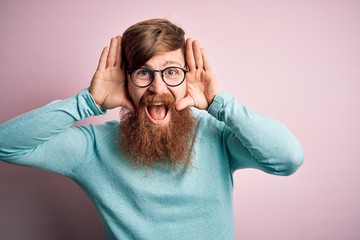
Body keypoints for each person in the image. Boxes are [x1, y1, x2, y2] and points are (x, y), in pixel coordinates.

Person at [0, 18, 304, 239]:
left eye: (171, 72)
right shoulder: (93, 147)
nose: (157, 87)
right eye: (144, 72)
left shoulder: (216, 134)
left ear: (186, 77)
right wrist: (87, 102)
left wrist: (219, 103)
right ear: (126, 81)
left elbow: (288, 159)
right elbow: (6, 145)